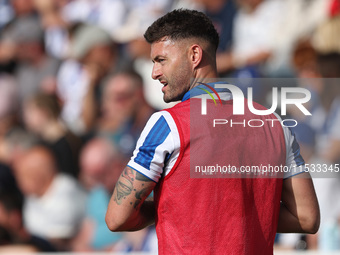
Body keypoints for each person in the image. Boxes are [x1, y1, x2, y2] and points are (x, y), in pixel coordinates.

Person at [106, 9, 320, 254]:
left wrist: (176, 209)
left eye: (160, 60)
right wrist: (241, 217)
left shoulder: (167, 124)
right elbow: (307, 217)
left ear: (195, 55)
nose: (154, 73)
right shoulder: (276, 124)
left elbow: (117, 218)